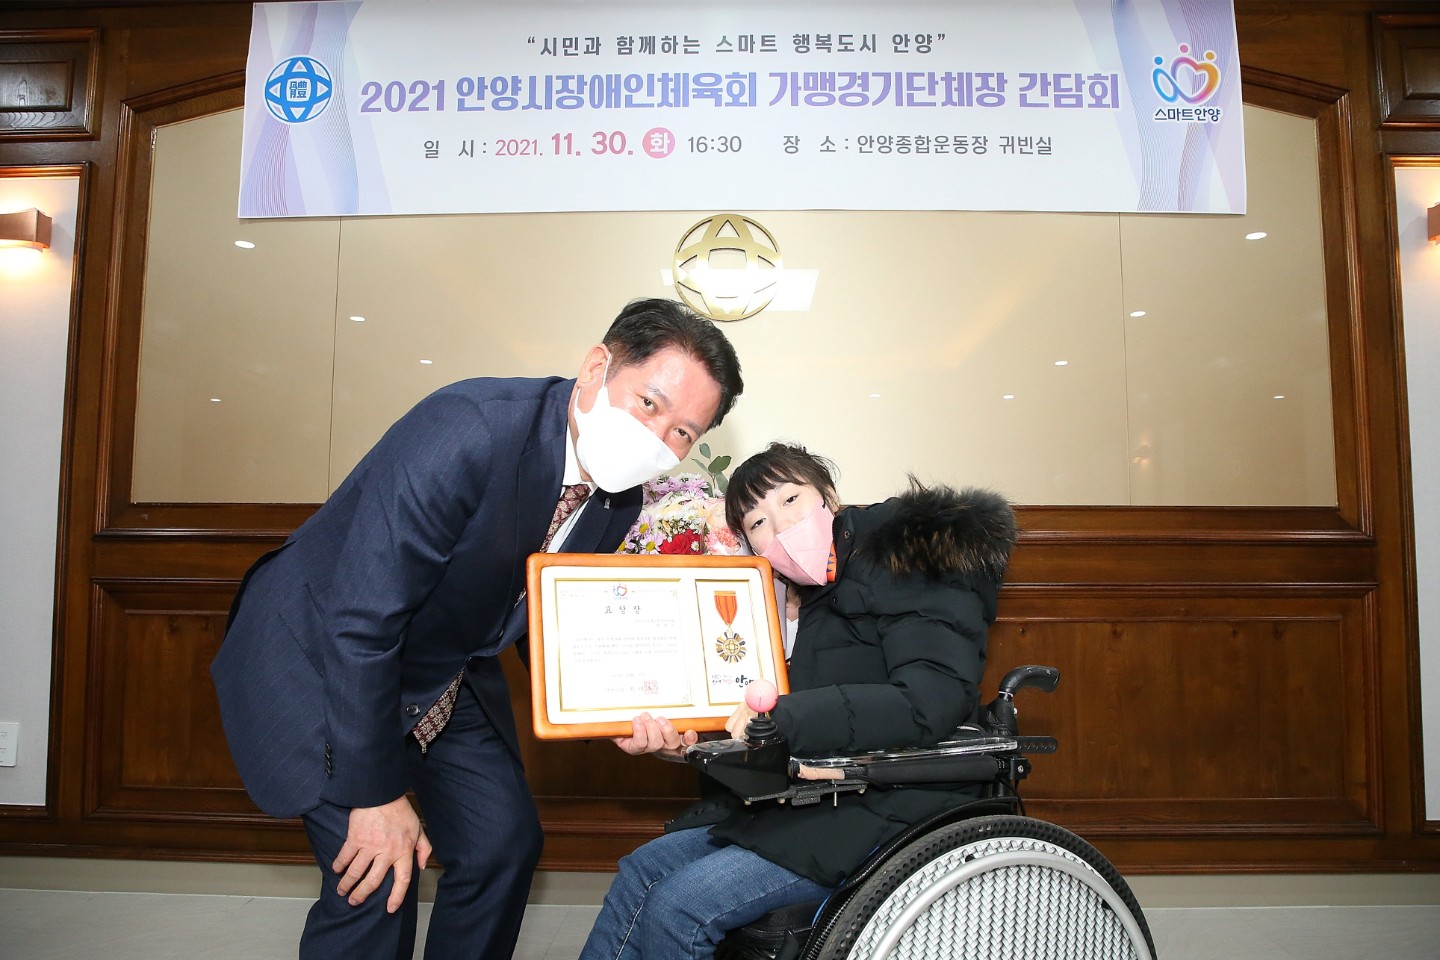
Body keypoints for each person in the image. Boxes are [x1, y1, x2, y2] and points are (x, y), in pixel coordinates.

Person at [210, 298, 743, 960]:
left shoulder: (618, 499)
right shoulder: (469, 427)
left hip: (442, 665)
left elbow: (549, 622)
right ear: (595, 367)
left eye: (684, 432)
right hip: (322, 654)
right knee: (378, 876)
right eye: (649, 404)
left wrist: (618, 714)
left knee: (502, 845)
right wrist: (375, 795)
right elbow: (362, 618)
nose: (659, 439)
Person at [580, 442, 1018, 960]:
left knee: (679, 906)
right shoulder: (796, 600)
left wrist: (781, 718)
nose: (781, 527)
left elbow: (931, 699)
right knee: (641, 872)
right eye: (757, 522)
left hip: (900, 801)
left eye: (790, 500)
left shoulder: (906, 559)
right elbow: (767, 719)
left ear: (828, 496)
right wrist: (683, 745)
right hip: (812, 800)